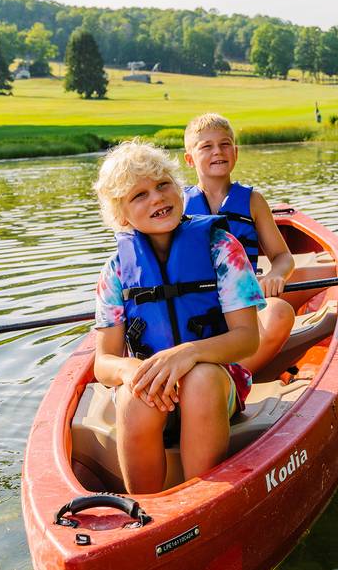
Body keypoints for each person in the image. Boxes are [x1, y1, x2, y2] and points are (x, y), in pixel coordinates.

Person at [93, 139, 264, 494]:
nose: (157, 198)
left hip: (215, 384)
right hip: (156, 393)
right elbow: (103, 362)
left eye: (163, 185)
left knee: (199, 379)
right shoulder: (116, 271)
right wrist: (131, 370)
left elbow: (248, 338)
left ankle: (199, 500)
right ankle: (147, 509)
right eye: (139, 195)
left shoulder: (222, 248)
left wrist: (188, 353)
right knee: (133, 393)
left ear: (178, 187)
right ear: (122, 214)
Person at [183, 112, 296, 376]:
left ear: (235, 152)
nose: (217, 152)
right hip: (196, 306)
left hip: (242, 305)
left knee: (279, 312)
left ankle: (233, 376)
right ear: (190, 159)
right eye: (206, 146)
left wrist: (275, 275)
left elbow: (283, 256)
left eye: (224, 144)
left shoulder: (253, 200)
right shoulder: (177, 204)